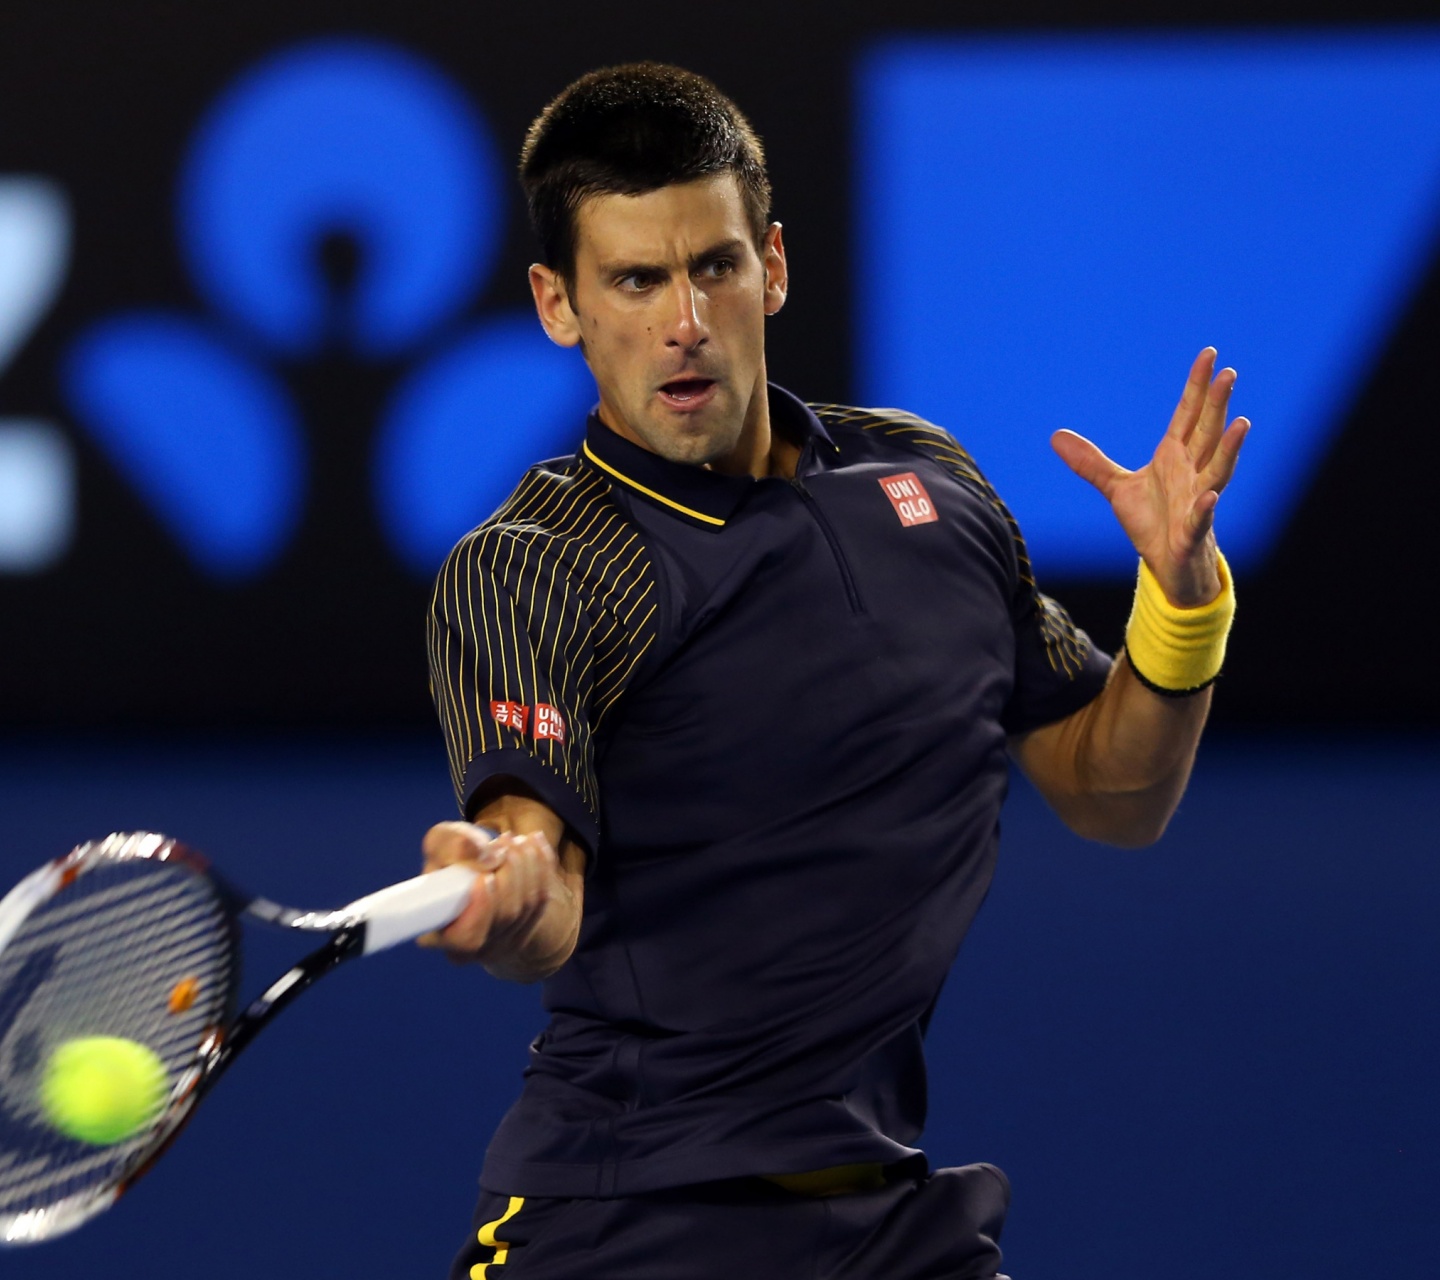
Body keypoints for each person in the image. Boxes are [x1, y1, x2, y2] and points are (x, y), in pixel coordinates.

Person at [419, 62, 1245, 1280]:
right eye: (635, 281)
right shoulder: (535, 568)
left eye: (715, 266)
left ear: (775, 267)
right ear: (559, 303)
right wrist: (509, 879)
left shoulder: (930, 484)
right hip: (621, 1225)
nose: (683, 320)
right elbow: (540, 872)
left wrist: (1180, 603)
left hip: (890, 1221)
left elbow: (1111, 790)